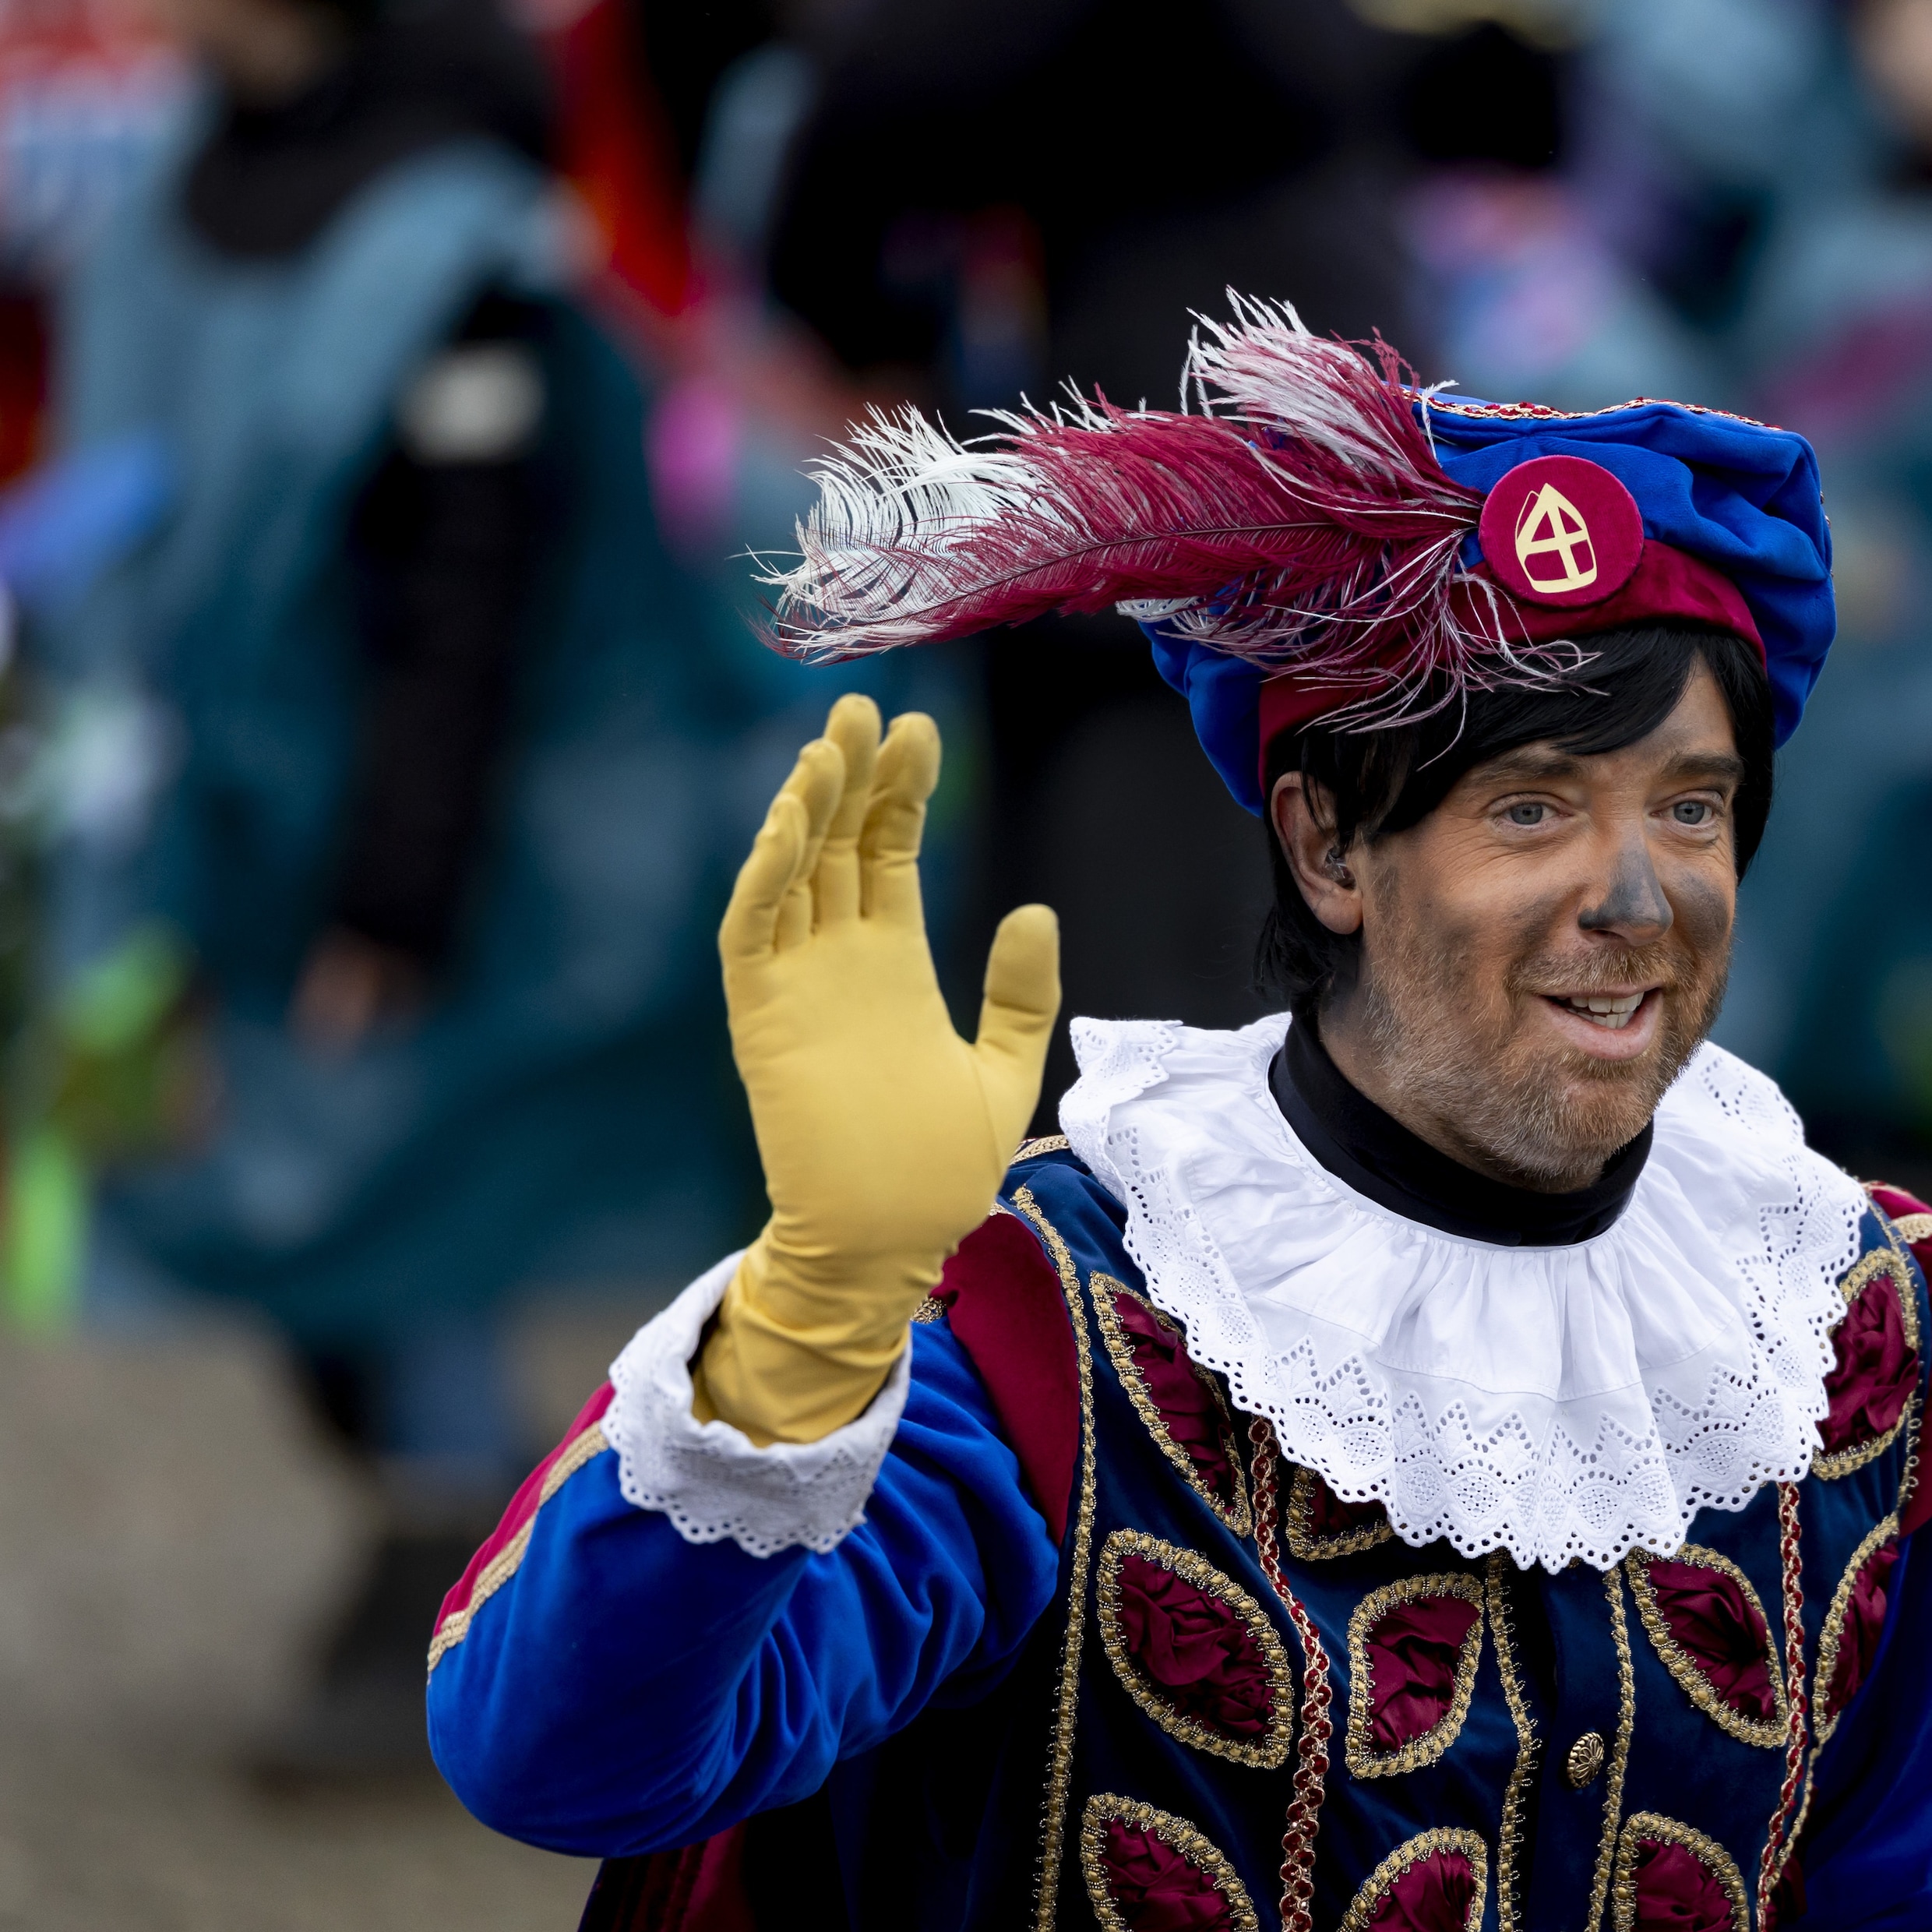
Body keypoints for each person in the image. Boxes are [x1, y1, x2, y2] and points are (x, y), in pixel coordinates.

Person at [425, 301, 1930, 1930]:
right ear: (1329, 847)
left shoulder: (1852, 1321)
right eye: (1530, 808)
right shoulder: (1042, 1329)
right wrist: (811, 1312)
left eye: (1689, 808)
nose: (1635, 894)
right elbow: (562, 1761)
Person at [26, 0, 750, 1769]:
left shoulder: (454, 229)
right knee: (261, 1204)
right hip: (228, 831)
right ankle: (450, 1554)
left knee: (396, 1212)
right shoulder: (189, 188)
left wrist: (396, 903)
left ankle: (465, 1581)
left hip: (434, 844)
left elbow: (472, 597)